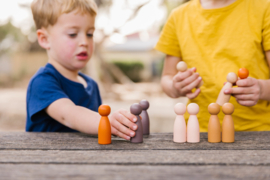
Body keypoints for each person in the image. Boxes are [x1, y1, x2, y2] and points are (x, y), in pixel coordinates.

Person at [26, 0, 138, 140]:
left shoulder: (92, 85)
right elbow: (69, 115)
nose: (84, 41)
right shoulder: (42, 82)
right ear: (44, 39)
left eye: (90, 34)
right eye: (73, 34)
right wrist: (106, 122)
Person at [155, 0, 270, 131]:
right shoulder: (178, 16)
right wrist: (175, 87)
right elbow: (167, 78)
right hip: (196, 130)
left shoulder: (265, 9)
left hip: (258, 132)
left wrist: (262, 88)